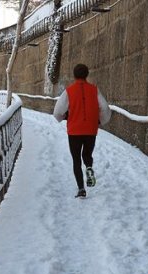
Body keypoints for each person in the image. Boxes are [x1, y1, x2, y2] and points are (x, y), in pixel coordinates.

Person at [53, 64, 111, 198]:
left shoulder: (69, 91)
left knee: (76, 159)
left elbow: (57, 111)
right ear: (87, 74)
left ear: (74, 75)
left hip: (74, 131)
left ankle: (81, 189)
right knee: (87, 154)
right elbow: (105, 108)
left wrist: (63, 117)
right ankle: (89, 167)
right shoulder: (94, 90)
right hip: (91, 130)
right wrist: (100, 121)